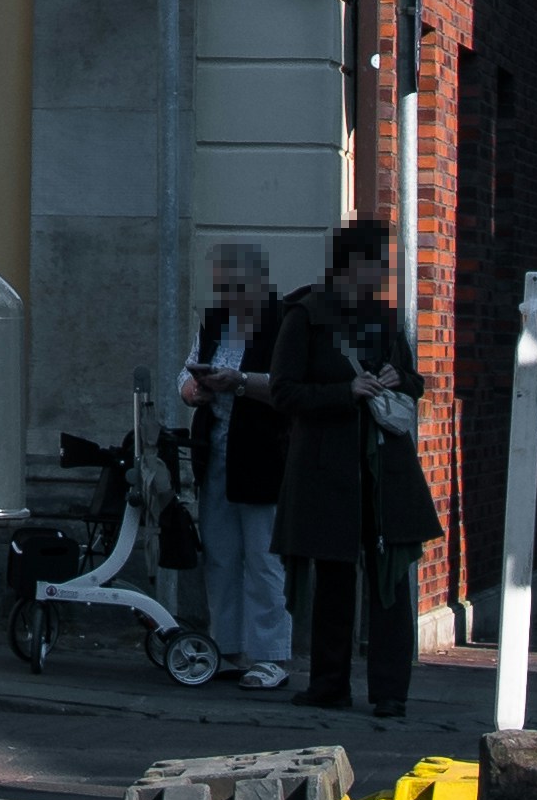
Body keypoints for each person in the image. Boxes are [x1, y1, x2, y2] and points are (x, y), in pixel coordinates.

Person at [269, 213, 435, 720]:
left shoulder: (384, 320)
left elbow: (414, 382)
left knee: (389, 581)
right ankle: (329, 683)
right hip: (327, 469)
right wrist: (347, 392)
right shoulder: (304, 315)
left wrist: (397, 377)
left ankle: (390, 691)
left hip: (384, 471)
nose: (381, 275)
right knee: (334, 579)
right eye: (375, 264)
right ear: (348, 265)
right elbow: (284, 391)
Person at [180, 242, 285, 681]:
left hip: (262, 452)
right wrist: (193, 389)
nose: (230, 296)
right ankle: (226, 646)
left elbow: (288, 386)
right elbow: (187, 371)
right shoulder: (215, 323)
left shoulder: (280, 324)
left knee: (264, 557)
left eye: (238, 286)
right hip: (216, 449)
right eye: (224, 287)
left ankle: (269, 655)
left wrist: (240, 383)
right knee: (221, 554)